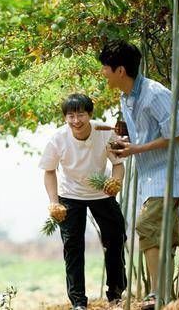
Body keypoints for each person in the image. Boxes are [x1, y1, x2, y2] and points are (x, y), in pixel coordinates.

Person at [98, 40, 179, 309]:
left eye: (105, 67)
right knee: (162, 236)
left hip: (168, 174)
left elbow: (177, 134)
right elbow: (141, 131)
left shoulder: (155, 94)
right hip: (149, 176)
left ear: (120, 70)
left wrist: (136, 148)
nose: (103, 72)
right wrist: (123, 140)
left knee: (146, 227)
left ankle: (157, 294)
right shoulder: (126, 96)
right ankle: (166, 298)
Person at [39, 93, 127, 310]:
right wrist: (54, 202)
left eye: (80, 114)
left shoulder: (105, 133)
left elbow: (118, 164)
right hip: (70, 195)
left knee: (116, 238)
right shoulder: (57, 139)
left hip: (101, 191)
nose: (76, 121)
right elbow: (49, 171)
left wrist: (115, 183)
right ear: (65, 118)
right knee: (72, 246)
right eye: (71, 116)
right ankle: (78, 301)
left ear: (90, 114)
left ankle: (115, 294)